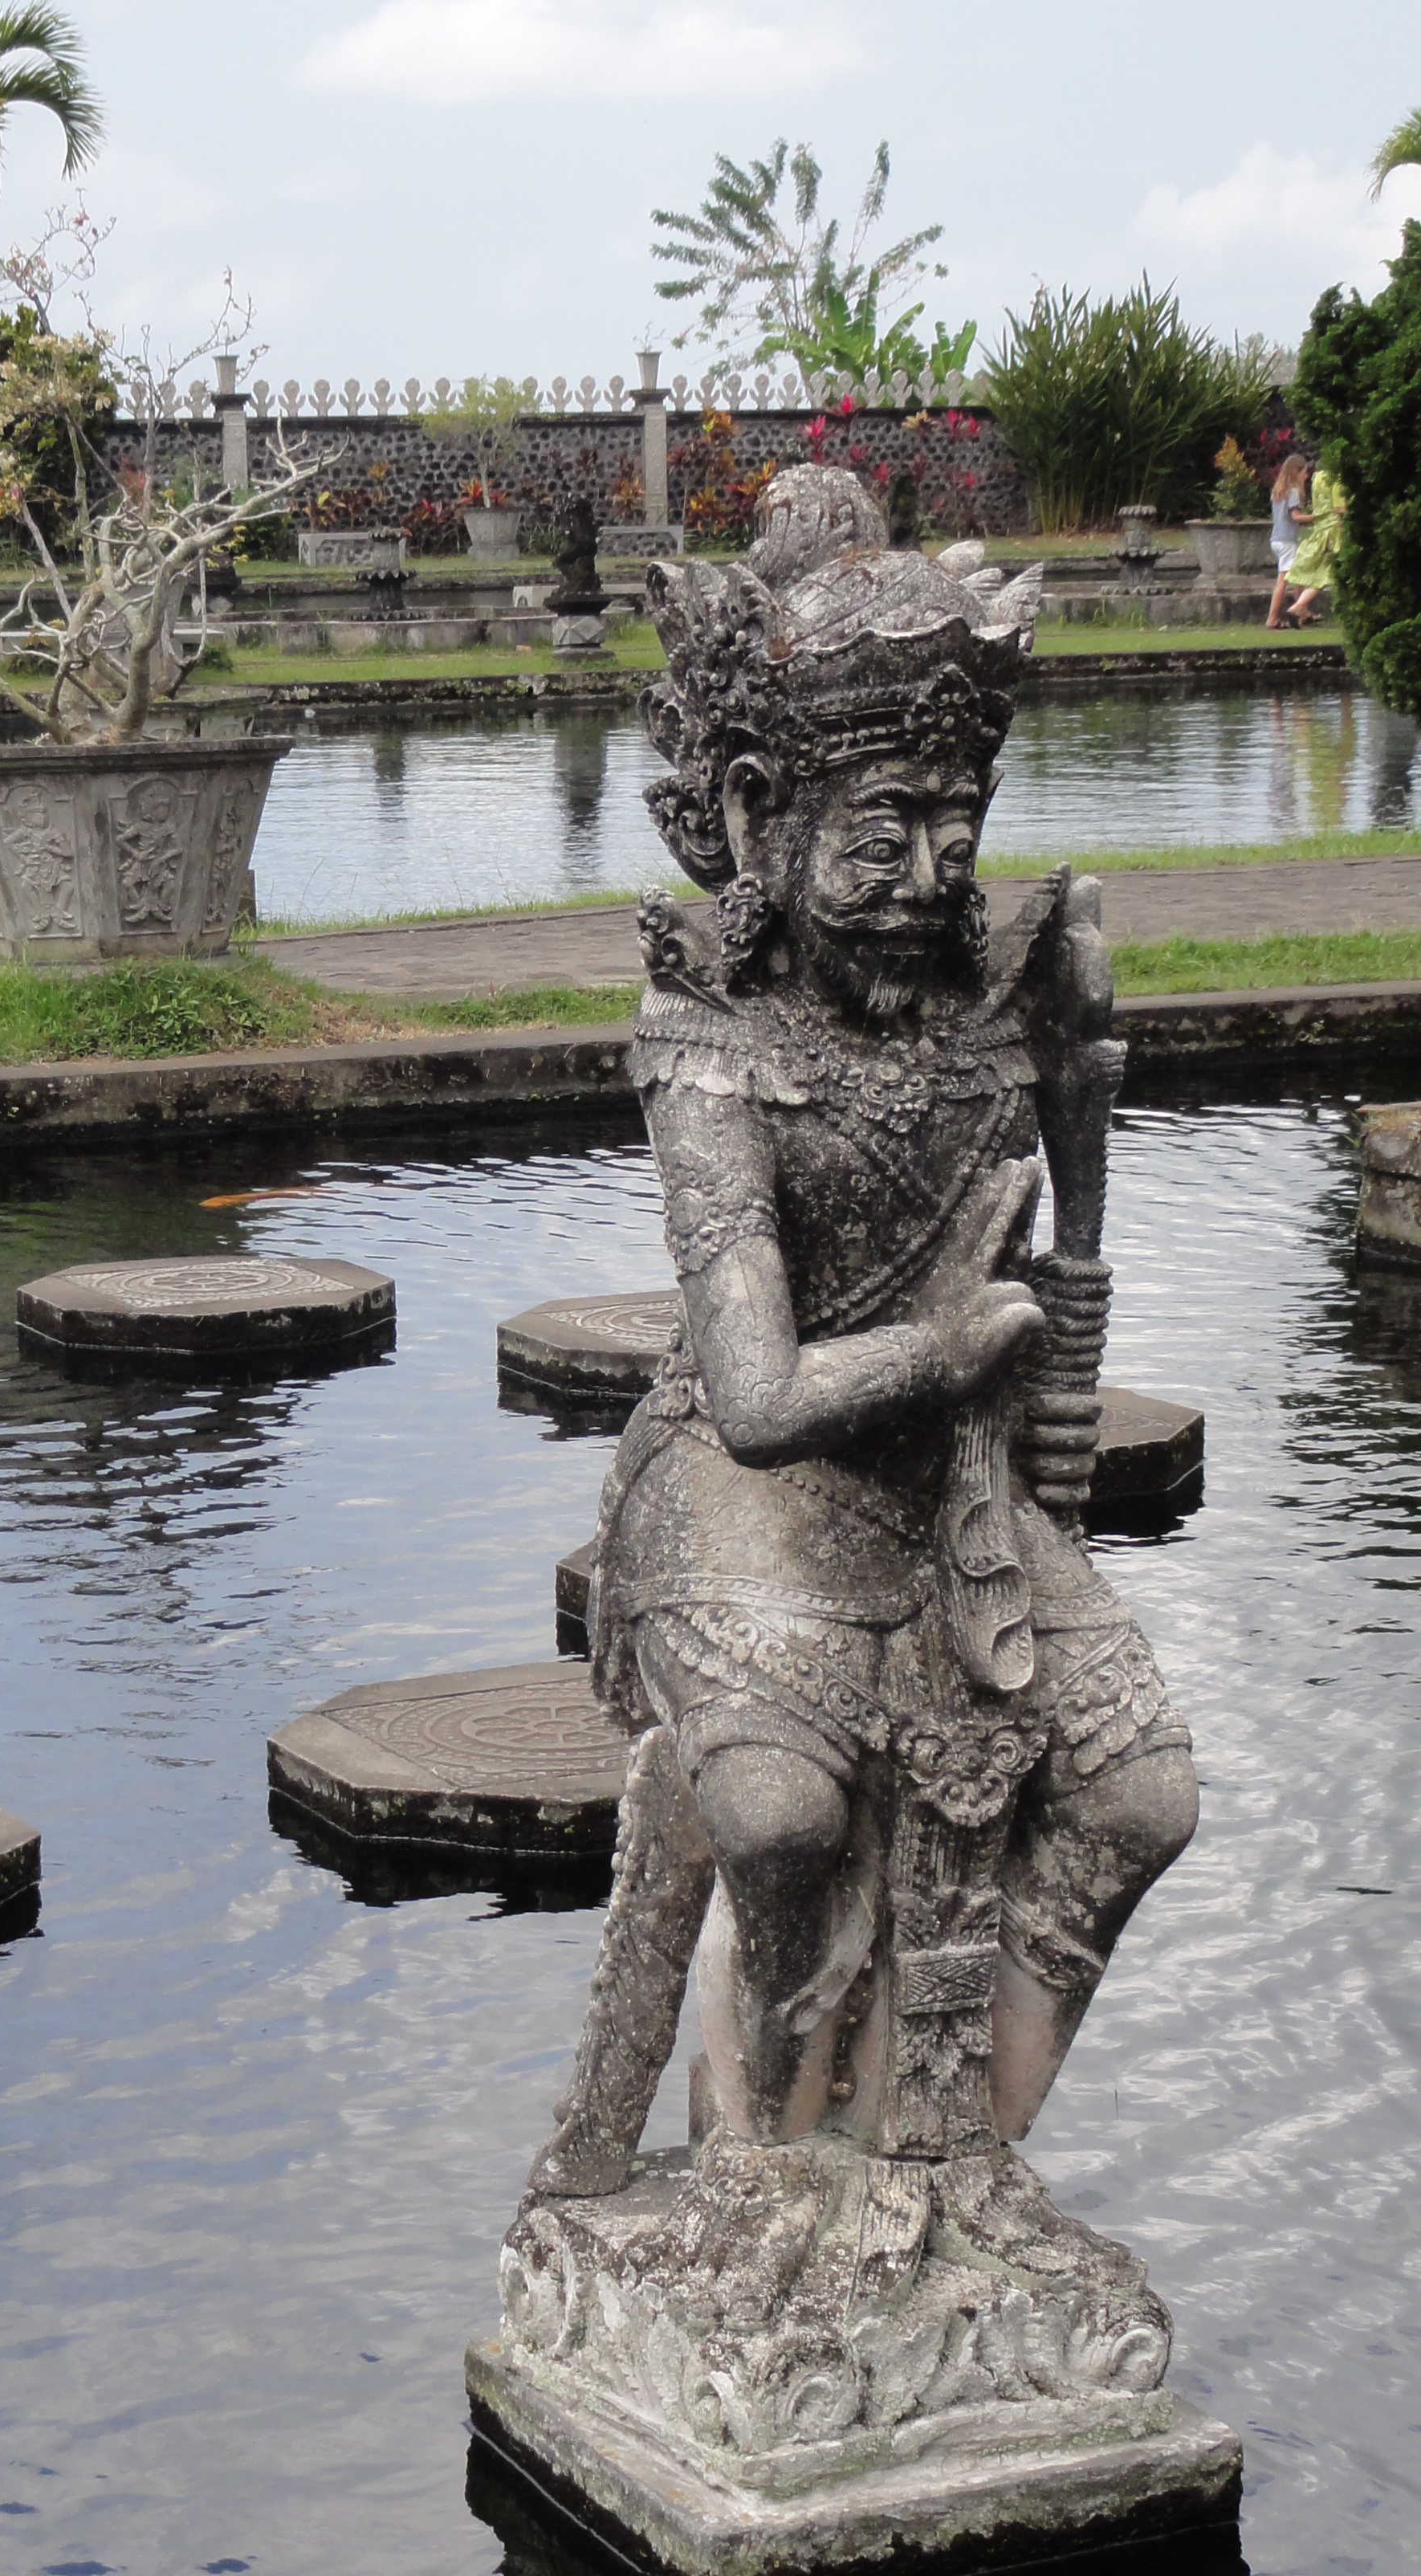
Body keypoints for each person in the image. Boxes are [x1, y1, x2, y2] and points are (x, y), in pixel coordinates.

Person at [523, 471, 1197, 2395]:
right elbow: (753, 1393)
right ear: (763, 818)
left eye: (951, 828)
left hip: (944, 1484)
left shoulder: (981, 1003)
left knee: (1140, 1796)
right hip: (745, 1489)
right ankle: (753, 2163)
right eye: (877, 832)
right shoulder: (709, 1052)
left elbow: (1056, 1222)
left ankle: (943, 2154)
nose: (922, 872)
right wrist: (955, 1340)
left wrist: (1067, 1126)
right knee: (780, 1815)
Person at [1284, 454, 1345, 627]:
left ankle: (1298, 607)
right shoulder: (1336, 480)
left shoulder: (1317, 477)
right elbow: (1339, 508)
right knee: (1326, 574)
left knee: (1320, 574)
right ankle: (1297, 607)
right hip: (1333, 531)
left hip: (1320, 530)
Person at [1267, 452, 1312, 629]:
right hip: (1287, 541)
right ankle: (1272, 618)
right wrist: (1315, 517)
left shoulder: (1278, 491)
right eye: (1304, 472)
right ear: (1296, 472)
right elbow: (1296, 516)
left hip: (1276, 539)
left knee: (1299, 573)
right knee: (1283, 581)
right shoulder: (1293, 492)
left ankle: (1302, 610)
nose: (1306, 476)